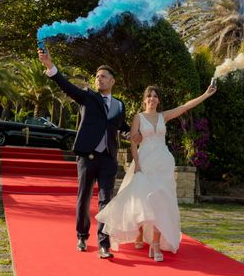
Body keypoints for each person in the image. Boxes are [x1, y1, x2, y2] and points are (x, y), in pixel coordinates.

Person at [38, 48, 140, 259]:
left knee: (106, 201)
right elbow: (66, 86)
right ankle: (82, 236)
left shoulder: (120, 105)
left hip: (108, 159)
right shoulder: (88, 97)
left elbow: (119, 126)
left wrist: (131, 134)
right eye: (97, 77)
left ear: (112, 81)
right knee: (83, 198)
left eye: (103, 77)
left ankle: (104, 243)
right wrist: (50, 66)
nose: (98, 79)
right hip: (87, 156)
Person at [95, 83, 216, 262]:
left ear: (158, 100)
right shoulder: (138, 117)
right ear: (144, 100)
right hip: (145, 162)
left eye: (155, 96)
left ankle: (156, 244)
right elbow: (134, 143)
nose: (152, 98)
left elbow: (185, 107)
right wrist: (137, 164)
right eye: (149, 96)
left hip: (163, 163)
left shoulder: (163, 116)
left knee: (161, 202)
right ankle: (140, 232)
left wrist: (206, 94)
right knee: (143, 200)